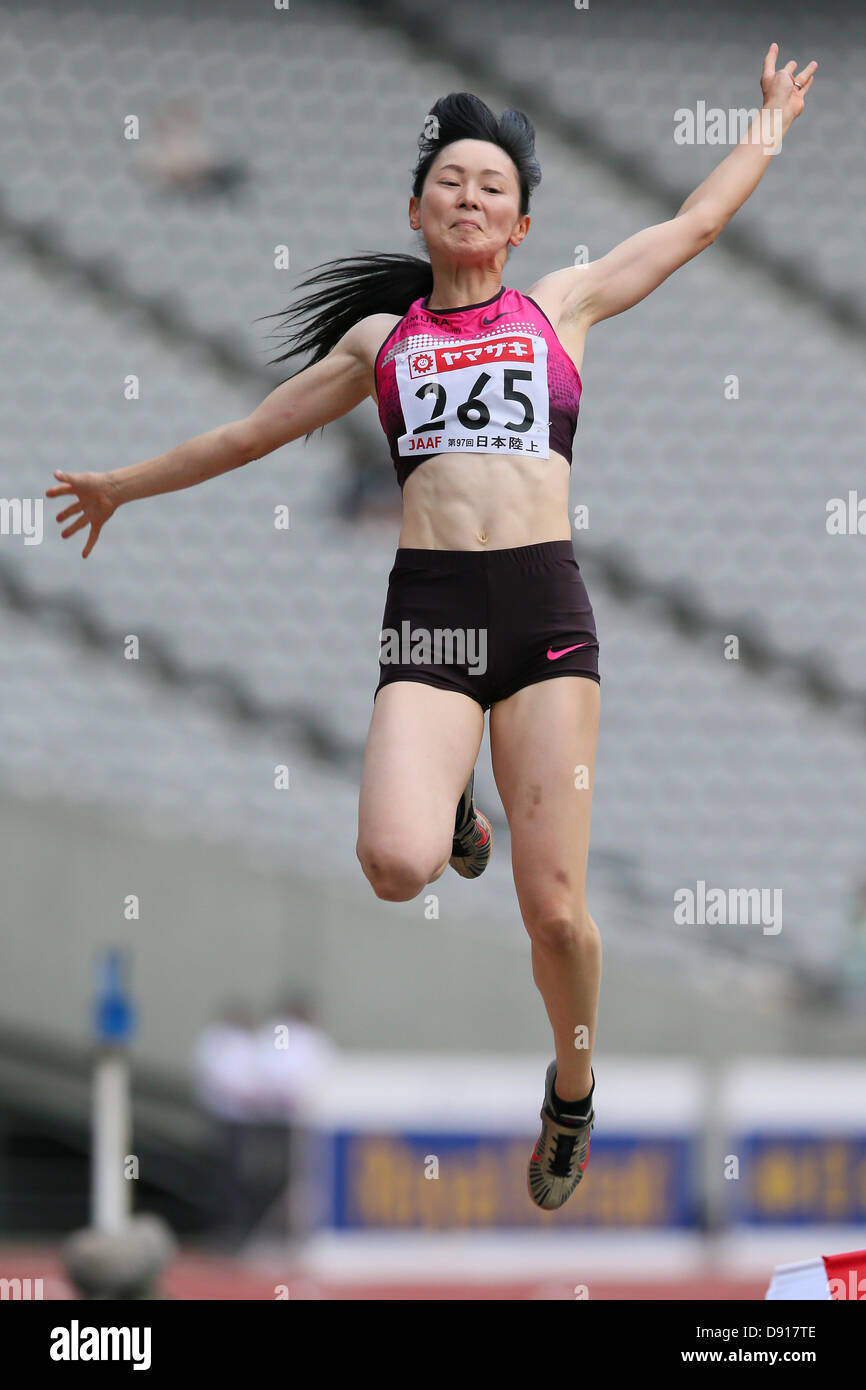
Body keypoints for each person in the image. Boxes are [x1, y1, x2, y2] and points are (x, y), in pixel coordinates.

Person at [46, 49, 817, 1212]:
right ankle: (452, 802)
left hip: (545, 613)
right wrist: (121, 484)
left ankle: (570, 1091)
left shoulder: (562, 302)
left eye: (490, 186)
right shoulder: (380, 344)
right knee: (397, 862)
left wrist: (764, 124)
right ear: (415, 209)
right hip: (436, 616)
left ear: (517, 225)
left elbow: (695, 224)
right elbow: (246, 436)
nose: (467, 195)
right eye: (447, 180)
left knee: (553, 909)